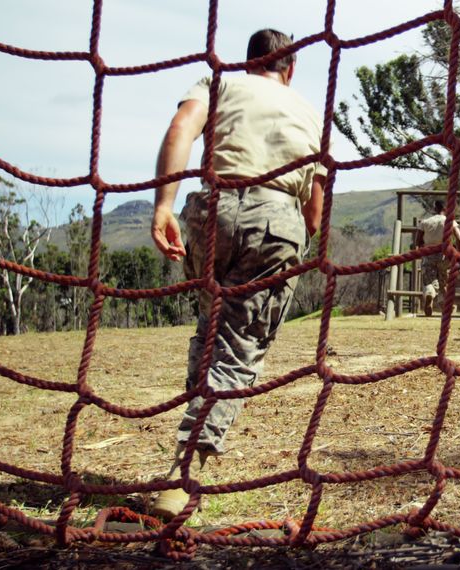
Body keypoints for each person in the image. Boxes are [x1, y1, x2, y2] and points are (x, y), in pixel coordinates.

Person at [148, 29, 326, 519]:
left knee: (212, 329)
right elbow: (315, 208)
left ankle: (196, 405)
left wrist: (164, 204)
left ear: (250, 62)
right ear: (289, 69)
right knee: (240, 343)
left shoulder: (219, 82)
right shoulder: (310, 112)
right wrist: (298, 244)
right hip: (276, 217)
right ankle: (184, 473)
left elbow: (182, 127)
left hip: (211, 209)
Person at [415, 200, 460, 316]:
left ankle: (430, 294)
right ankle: (445, 305)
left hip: (428, 254)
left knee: (429, 280)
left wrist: (422, 249)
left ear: (435, 209)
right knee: (443, 282)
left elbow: (418, 241)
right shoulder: (450, 222)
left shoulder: (425, 222)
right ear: (445, 209)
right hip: (444, 255)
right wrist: (457, 252)